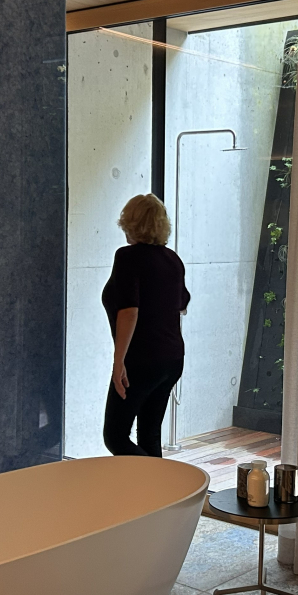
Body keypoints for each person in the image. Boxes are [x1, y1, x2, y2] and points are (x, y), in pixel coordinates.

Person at [101, 194, 190, 457]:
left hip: (141, 361)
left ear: (131, 222)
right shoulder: (172, 259)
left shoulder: (127, 257)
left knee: (115, 436)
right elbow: (182, 304)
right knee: (149, 437)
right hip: (171, 360)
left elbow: (129, 311)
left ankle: (162, 480)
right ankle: (157, 484)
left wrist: (119, 362)